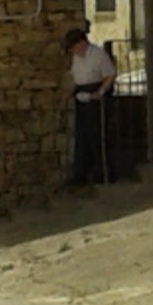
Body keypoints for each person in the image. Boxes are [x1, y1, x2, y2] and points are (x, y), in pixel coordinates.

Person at [63, 26, 116, 186]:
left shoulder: (98, 54)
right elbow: (76, 77)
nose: (73, 52)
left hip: (95, 93)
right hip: (81, 94)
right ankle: (80, 173)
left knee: (97, 135)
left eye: (74, 48)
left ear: (81, 43)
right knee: (81, 135)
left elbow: (110, 75)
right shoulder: (76, 58)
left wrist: (98, 93)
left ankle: (101, 172)